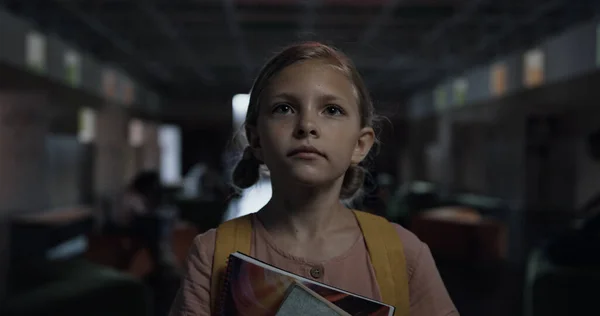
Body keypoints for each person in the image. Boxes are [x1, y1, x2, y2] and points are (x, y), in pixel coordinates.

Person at [169, 42, 457, 316]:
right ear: (256, 140)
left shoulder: (404, 253)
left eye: (332, 110)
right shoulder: (211, 253)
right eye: (284, 108)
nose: (307, 125)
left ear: (360, 144)